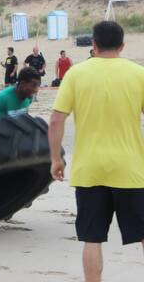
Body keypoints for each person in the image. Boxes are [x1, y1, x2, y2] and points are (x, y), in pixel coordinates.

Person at [48, 21, 144, 282]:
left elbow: (57, 119)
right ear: (122, 45)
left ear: (93, 44)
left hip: (89, 170)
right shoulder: (138, 74)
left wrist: (56, 158)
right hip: (131, 169)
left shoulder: (77, 74)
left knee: (92, 238)